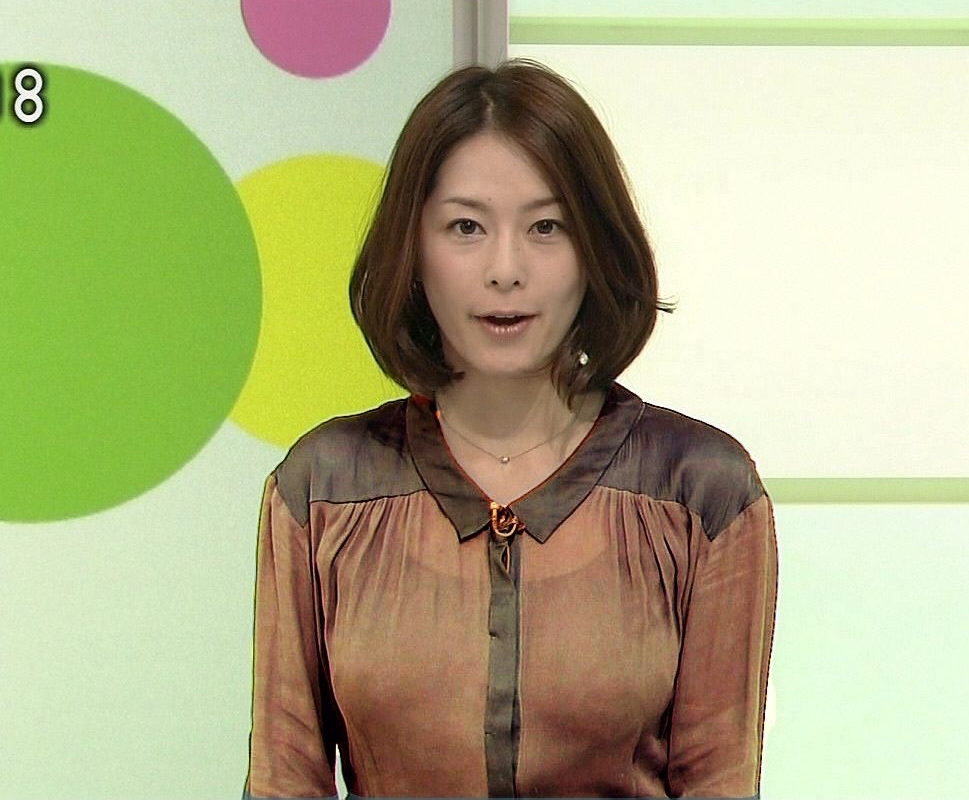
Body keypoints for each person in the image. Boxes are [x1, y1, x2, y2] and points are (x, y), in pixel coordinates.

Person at [243, 58, 777, 799]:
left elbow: (720, 779)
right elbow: (284, 778)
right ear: (413, 249)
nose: (505, 269)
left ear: (596, 250)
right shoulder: (322, 488)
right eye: (466, 226)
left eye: (546, 227)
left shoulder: (702, 492)